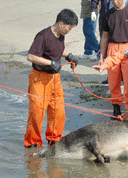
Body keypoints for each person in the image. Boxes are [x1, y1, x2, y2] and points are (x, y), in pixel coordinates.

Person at [24, 9, 78, 148]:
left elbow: (57, 49)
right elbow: (31, 56)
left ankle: (54, 140)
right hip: (39, 78)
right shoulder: (43, 36)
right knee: (37, 112)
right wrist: (50, 63)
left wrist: (68, 55)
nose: (69, 30)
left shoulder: (60, 35)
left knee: (58, 111)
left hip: (55, 78)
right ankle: (33, 142)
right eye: (69, 27)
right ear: (61, 23)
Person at [99, 0, 128, 119]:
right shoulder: (107, 14)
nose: (116, 1)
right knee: (113, 81)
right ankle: (116, 109)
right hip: (113, 48)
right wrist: (101, 57)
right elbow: (104, 37)